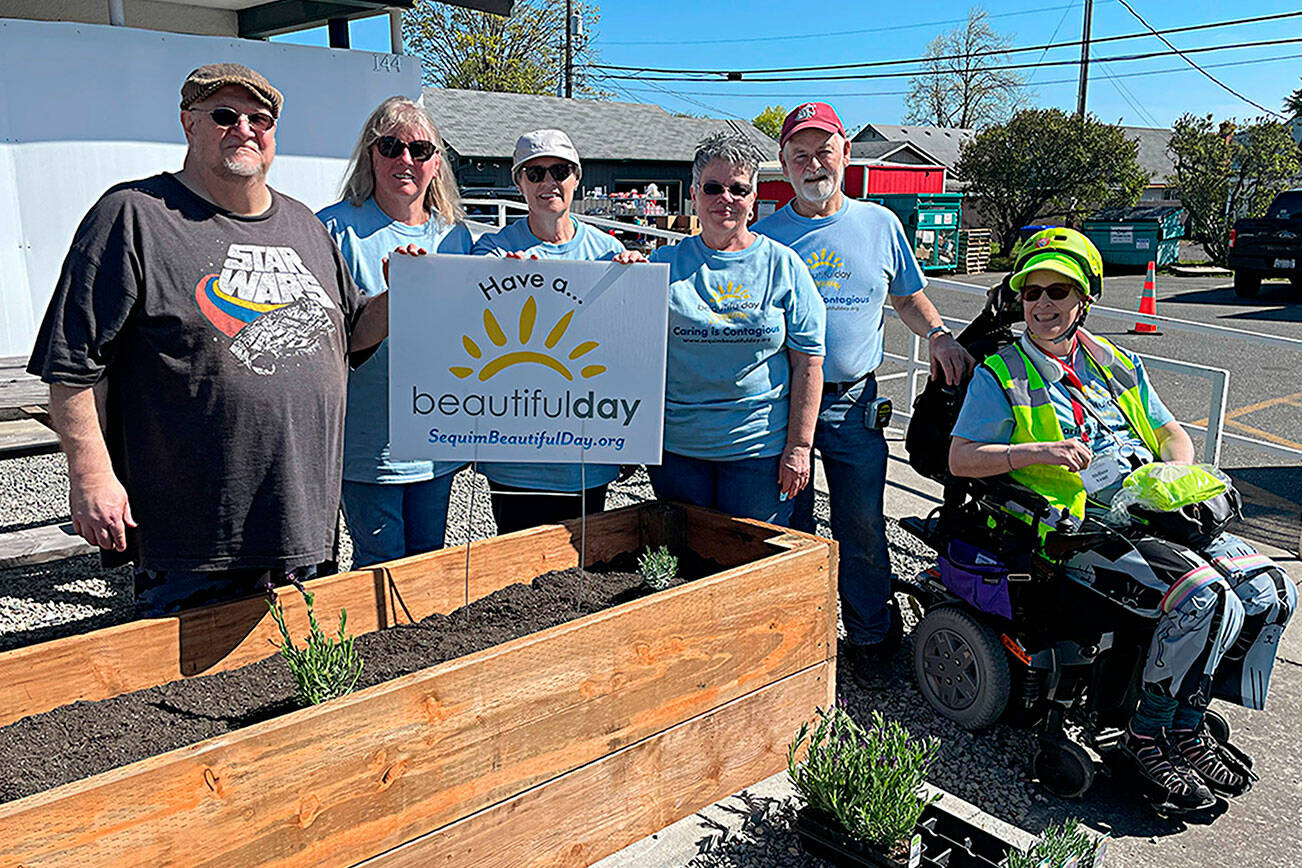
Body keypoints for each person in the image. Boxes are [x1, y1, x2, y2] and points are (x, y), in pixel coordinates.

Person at [949, 228, 1295, 813]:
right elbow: (961, 459)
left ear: (1084, 298)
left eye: (1058, 291)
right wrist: (1039, 452)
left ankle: (1183, 723)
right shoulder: (1001, 373)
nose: (1043, 305)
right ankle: (1144, 734)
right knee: (1202, 595)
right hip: (1073, 532)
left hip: (1149, 513)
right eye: (1031, 293)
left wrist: (1174, 479)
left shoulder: (1115, 362)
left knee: (1268, 587)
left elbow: (1170, 434)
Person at [27, 63, 387, 615]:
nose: (244, 128)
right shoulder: (132, 216)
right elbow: (72, 364)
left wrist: (414, 292)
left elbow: (353, 332)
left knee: (301, 686)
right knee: (188, 694)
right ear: (188, 124)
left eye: (259, 119)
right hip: (192, 537)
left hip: (302, 523)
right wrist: (92, 475)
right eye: (224, 115)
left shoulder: (304, 226)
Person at [752, 102, 973, 681]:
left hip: (853, 401)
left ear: (847, 156)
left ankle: (872, 633)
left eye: (825, 150)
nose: (813, 163)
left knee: (861, 523)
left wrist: (941, 334)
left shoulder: (880, 225)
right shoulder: (764, 236)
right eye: (800, 154)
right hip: (781, 403)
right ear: (783, 163)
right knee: (787, 523)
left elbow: (906, 296)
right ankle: (799, 638)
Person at [318, 97, 472, 567]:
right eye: (391, 147)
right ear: (370, 154)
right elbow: (330, 342)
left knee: (429, 561)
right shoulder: (332, 229)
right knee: (378, 560)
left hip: (437, 436)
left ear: (437, 163)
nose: (406, 160)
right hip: (368, 441)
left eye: (420, 150)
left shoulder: (456, 236)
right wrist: (395, 298)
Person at [646, 131, 825, 525]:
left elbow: (809, 365)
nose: (724, 198)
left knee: (751, 567)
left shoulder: (784, 266)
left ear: (754, 199)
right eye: (712, 188)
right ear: (694, 195)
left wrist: (799, 447)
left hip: (758, 453)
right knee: (680, 562)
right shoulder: (662, 264)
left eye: (738, 189)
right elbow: (622, 339)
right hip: (678, 451)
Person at [470, 129, 624, 533]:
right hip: (514, 457)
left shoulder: (609, 252)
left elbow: (624, 345)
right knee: (518, 574)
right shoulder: (492, 251)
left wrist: (633, 281)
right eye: (534, 173)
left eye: (559, 171)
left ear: (577, 178)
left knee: (585, 574)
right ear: (518, 182)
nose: (548, 183)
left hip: (588, 456)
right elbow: (468, 331)